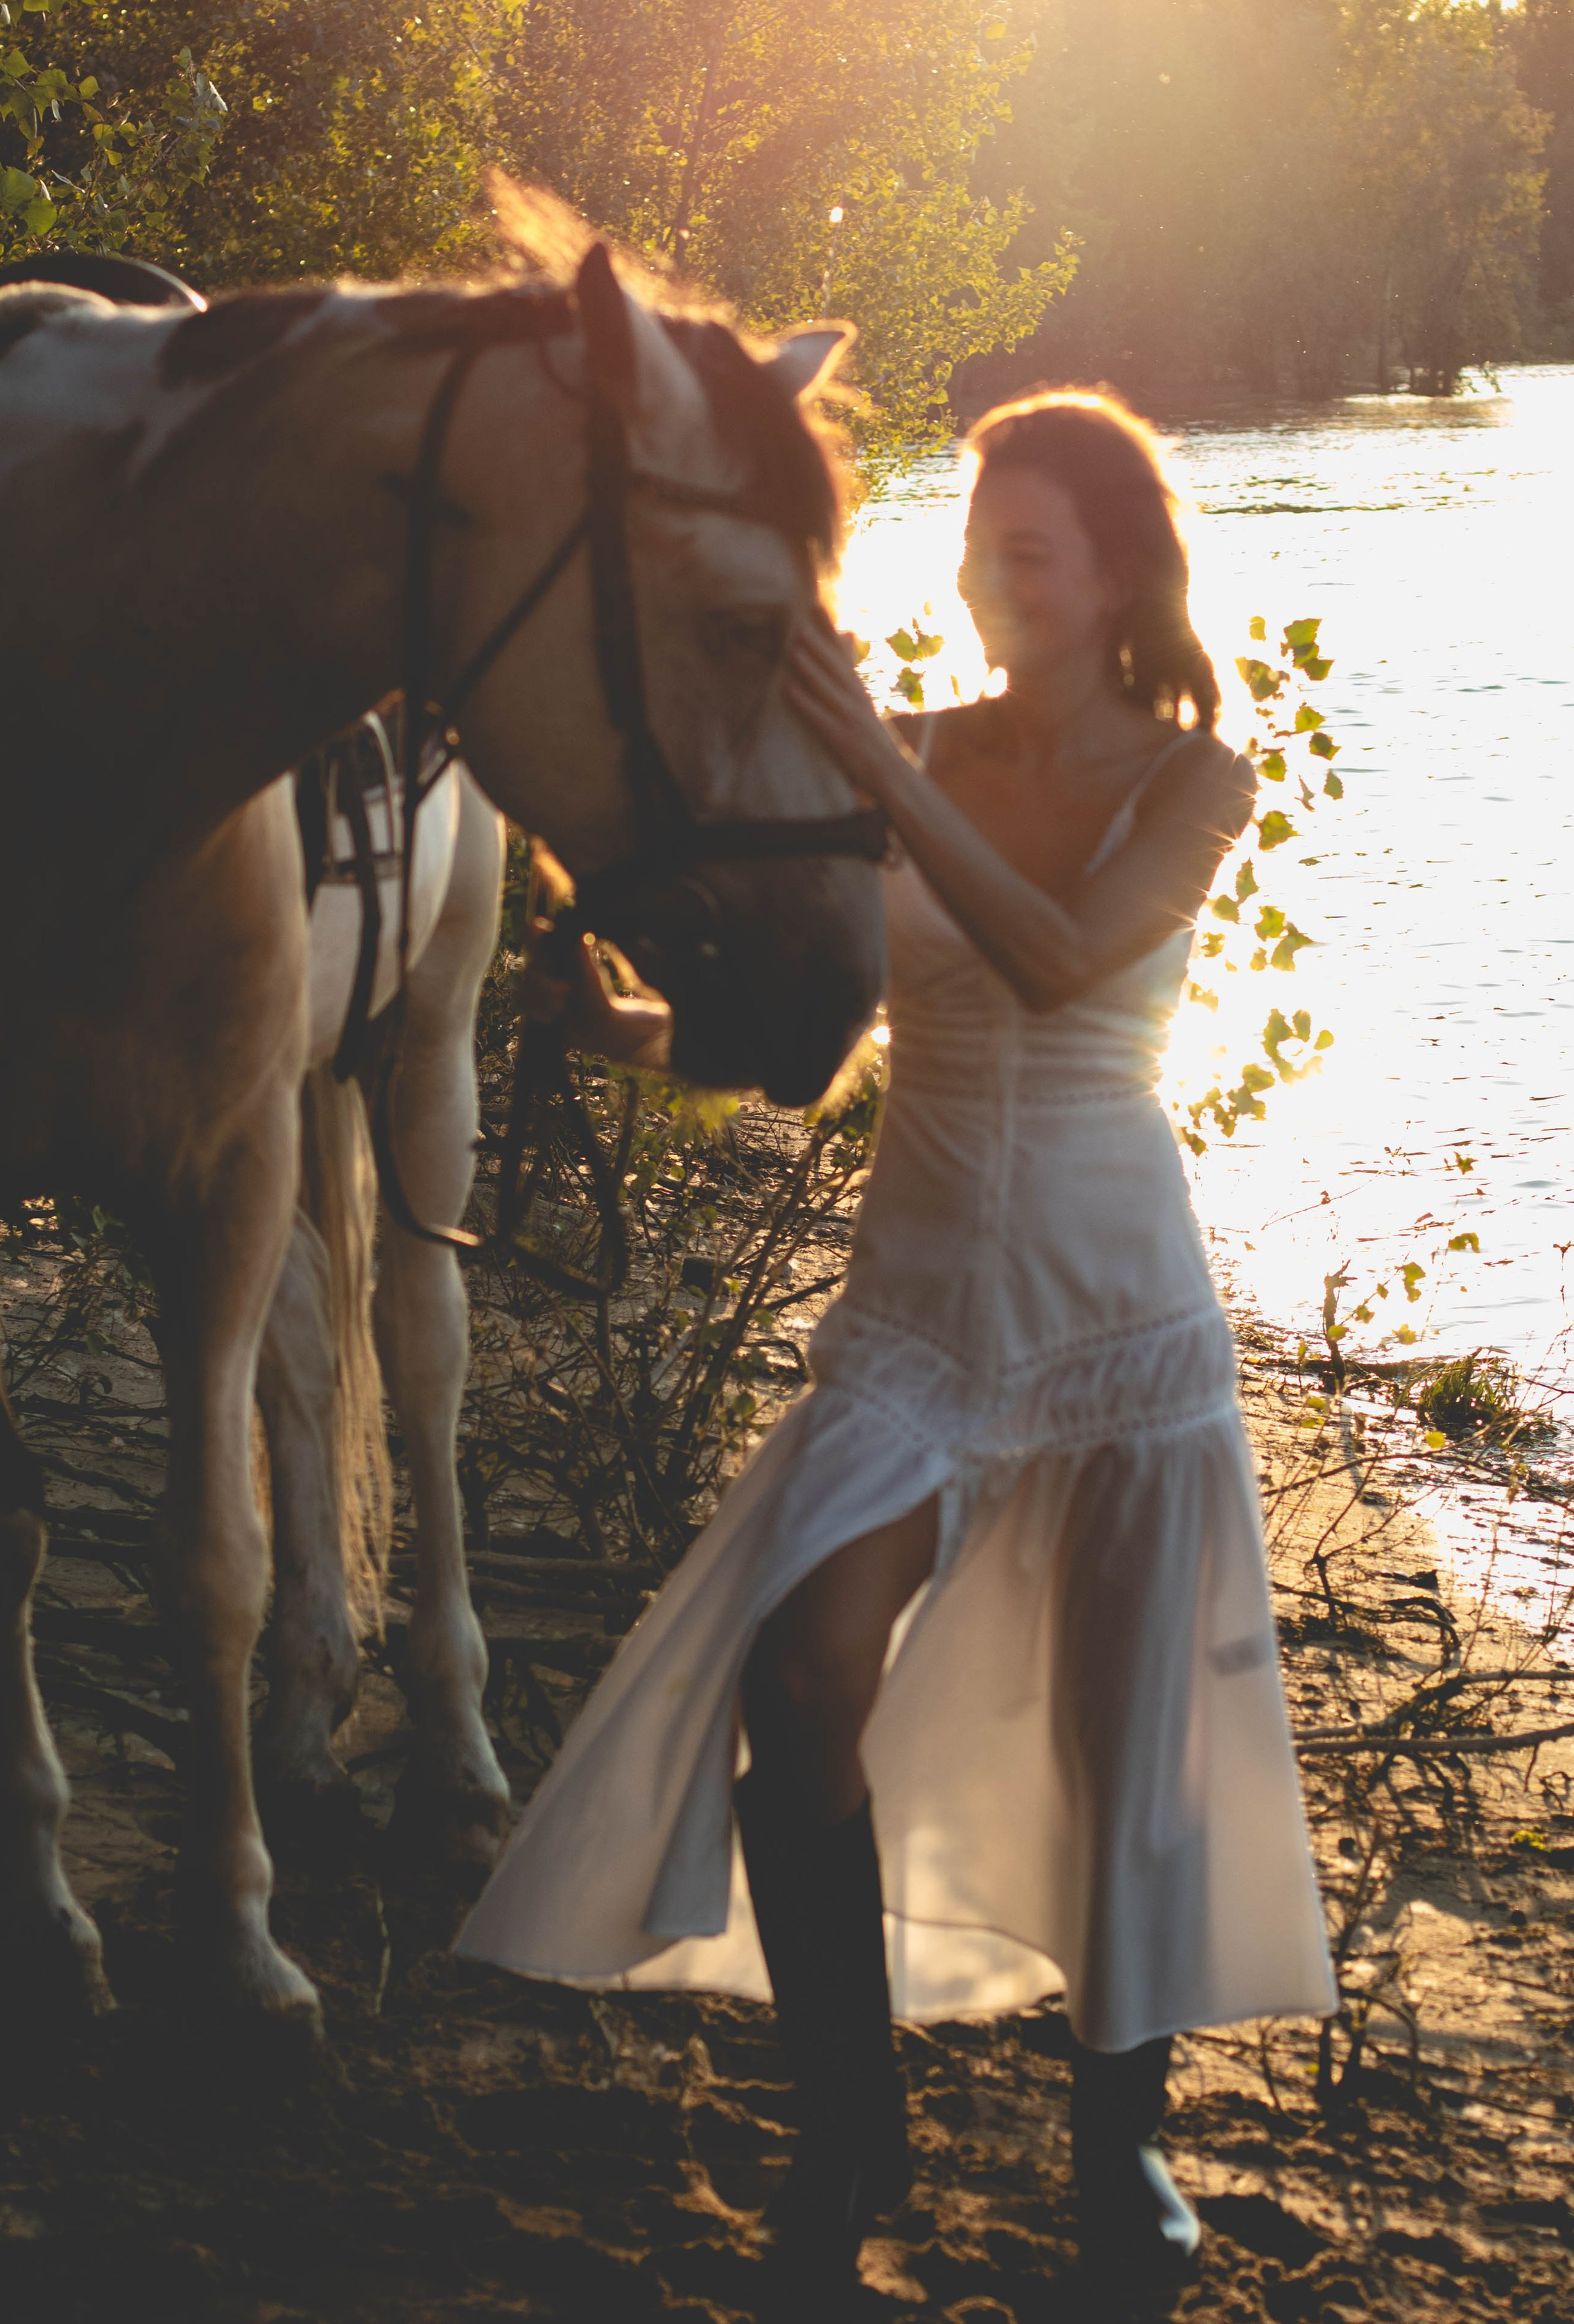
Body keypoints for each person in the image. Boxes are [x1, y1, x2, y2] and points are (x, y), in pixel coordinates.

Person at [457, 389, 1336, 2313]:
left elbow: (1056, 955)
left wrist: (882, 769)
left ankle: (1130, 2149)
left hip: (1120, 1328)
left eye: (1031, 555)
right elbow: (823, 1030)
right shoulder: (912, 751)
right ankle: (851, 2128)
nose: (991, 586)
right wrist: (606, 1028)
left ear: (1121, 577)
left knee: (1128, 1761)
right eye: (978, 552)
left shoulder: (1197, 783)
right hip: (919, 1326)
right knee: (798, 1674)